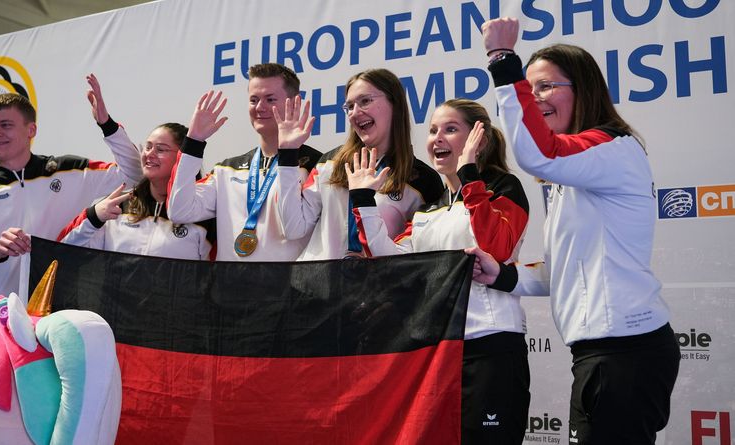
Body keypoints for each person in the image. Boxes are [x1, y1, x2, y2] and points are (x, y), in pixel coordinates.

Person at [470, 18, 680, 445]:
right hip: (604, 354)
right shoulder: (576, 171)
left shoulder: (609, 146)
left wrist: (502, 60)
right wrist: (504, 275)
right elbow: (566, 268)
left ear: (582, 89)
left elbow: (539, 154)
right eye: (529, 88)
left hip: (624, 352)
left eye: (545, 87)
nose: (535, 98)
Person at [345, 99, 530, 444]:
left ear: (480, 139)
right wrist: (363, 201)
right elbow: (388, 261)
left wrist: (471, 175)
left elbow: (498, 248)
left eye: (450, 129)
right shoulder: (428, 210)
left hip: (490, 347)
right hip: (438, 350)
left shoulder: (503, 187)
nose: (437, 138)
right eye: (432, 131)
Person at [0, 89, 142, 307]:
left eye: (5, 125)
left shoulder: (68, 170)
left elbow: (134, 174)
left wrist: (107, 124)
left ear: (31, 130)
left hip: (58, 309)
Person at [274, 68, 444, 260]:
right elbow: (293, 228)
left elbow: (421, 253)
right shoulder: (330, 163)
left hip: (378, 287)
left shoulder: (423, 180)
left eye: (365, 101)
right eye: (349, 107)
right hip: (320, 286)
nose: (355, 113)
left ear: (394, 103)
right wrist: (287, 155)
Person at [167, 63, 322, 261]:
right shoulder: (226, 169)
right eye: (253, 100)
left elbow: (295, 229)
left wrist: (287, 154)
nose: (259, 107)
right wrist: (193, 143)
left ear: (294, 103)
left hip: (288, 289)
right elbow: (179, 211)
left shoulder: (315, 165)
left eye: (270, 99)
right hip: (231, 288)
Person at [58, 76, 213, 260]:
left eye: (161, 149)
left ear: (182, 158)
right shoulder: (119, 205)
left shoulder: (202, 214)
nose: (150, 154)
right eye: (147, 147)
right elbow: (62, 253)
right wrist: (93, 217)